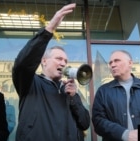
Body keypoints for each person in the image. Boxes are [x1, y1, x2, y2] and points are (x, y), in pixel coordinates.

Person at [12, 3, 90, 141]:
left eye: (65, 61)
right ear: (44, 61)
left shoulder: (68, 90)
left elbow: (84, 123)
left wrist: (74, 98)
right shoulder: (31, 83)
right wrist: (49, 30)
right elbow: (22, 64)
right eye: (58, 58)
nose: (63, 63)